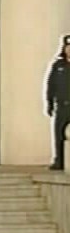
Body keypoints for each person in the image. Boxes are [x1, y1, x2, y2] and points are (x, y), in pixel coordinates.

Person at [45, 35, 70, 170]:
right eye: (68, 47)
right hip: (62, 105)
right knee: (59, 134)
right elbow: (51, 85)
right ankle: (59, 160)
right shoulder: (58, 65)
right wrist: (49, 103)